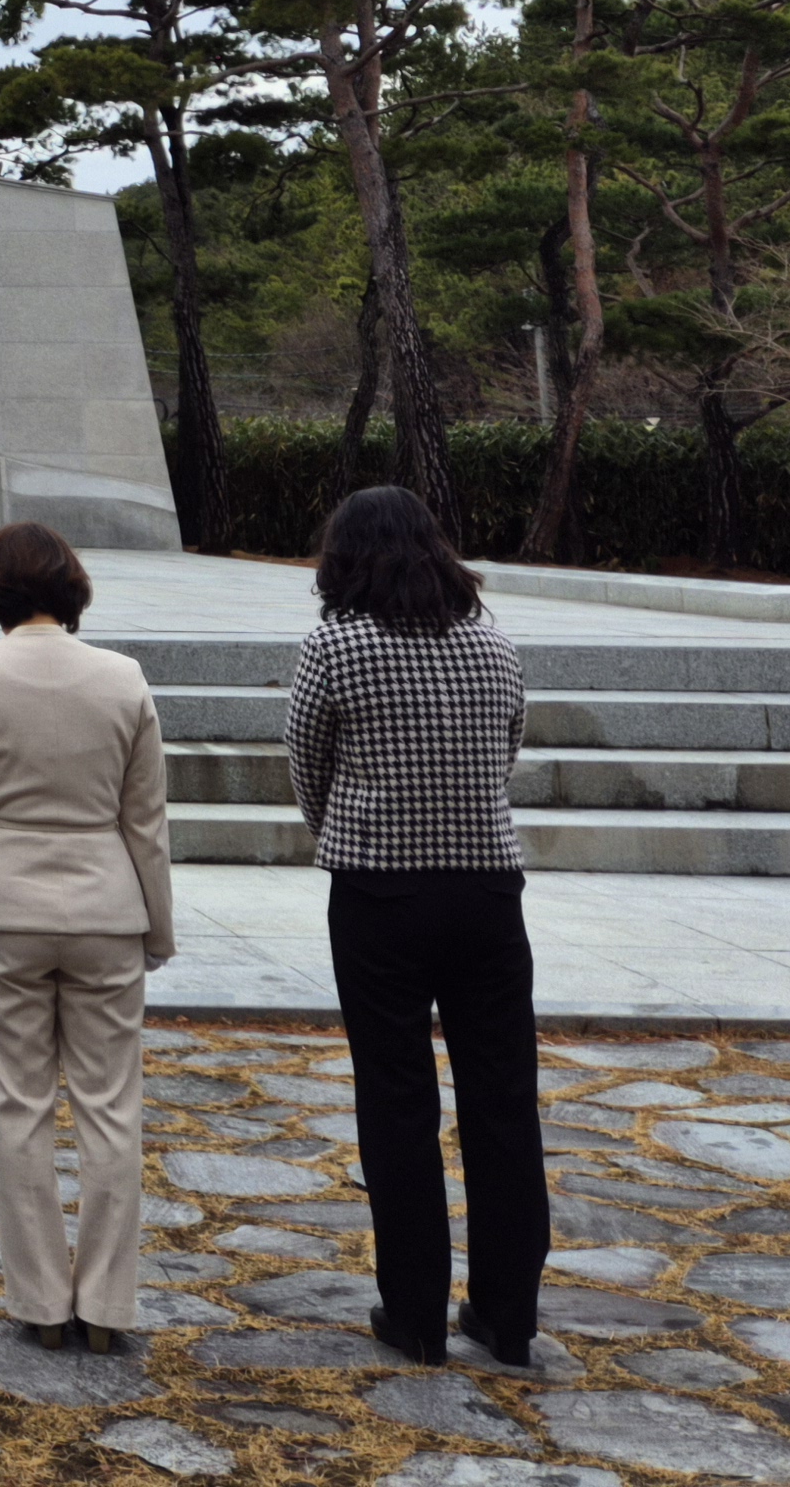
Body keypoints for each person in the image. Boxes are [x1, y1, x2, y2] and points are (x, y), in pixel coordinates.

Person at [285, 482, 549, 1372]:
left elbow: (305, 760)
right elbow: (507, 749)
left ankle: (416, 1312)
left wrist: (345, 831)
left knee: (396, 1099)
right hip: (486, 888)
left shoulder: (337, 643)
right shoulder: (492, 642)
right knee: (503, 1099)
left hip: (379, 892)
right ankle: (509, 1313)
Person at [0, 520, 173, 1352]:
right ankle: (106, 1303)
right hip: (106, 907)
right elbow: (146, 822)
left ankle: (38, 1299)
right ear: (72, 586)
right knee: (112, 1109)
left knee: (18, 1106)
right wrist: (158, 929)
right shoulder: (124, 677)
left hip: (4, 909)